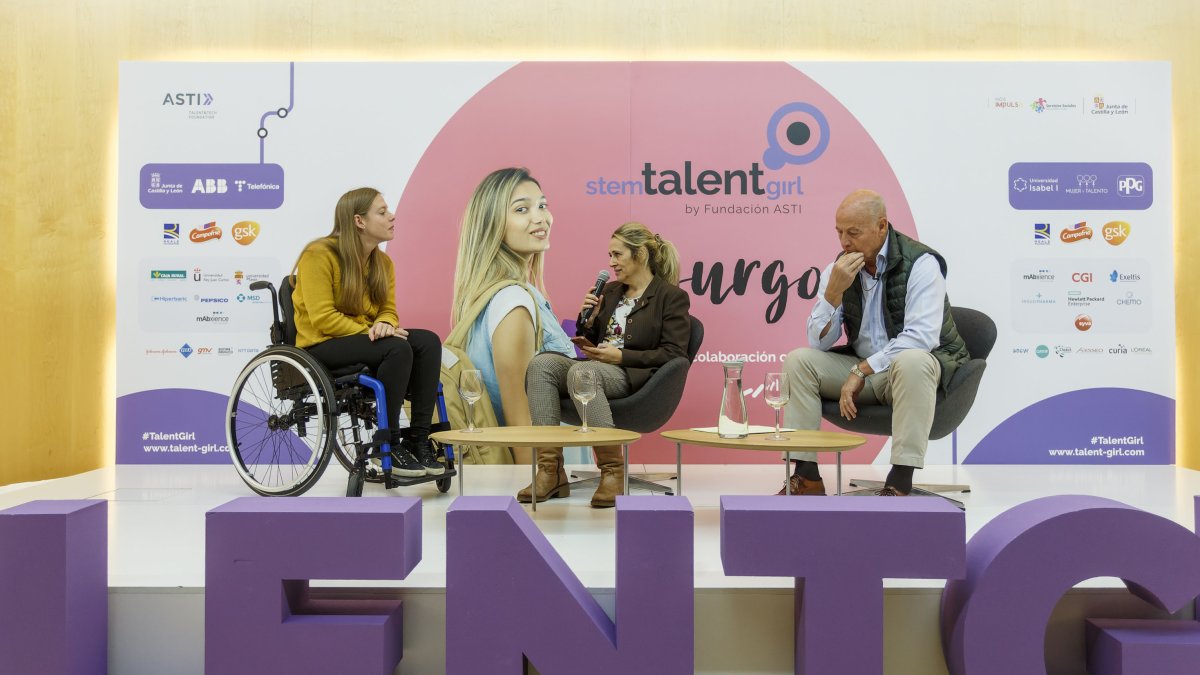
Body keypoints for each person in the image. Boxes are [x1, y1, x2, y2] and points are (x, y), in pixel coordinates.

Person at [779, 189, 969, 496]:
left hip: (911, 372)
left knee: (912, 360)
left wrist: (861, 370)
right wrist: (833, 294)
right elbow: (818, 343)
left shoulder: (921, 263)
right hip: (864, 370)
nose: (844, 242)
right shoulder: (840, 270)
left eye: (853, 233)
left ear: (881, 226)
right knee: (799, 361)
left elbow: (921, 337)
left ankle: (899, 481)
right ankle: (807, 476)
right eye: (839, 232)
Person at [522, 222, 692, 508]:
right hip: (597, 368)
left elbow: (674, 353)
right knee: (541, 365)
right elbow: (594, 340)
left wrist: (622, 357)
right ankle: (550, 471)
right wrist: (588, 322)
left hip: (635, 375)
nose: (611, 263)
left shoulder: (670, 297)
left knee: (582, 372)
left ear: (640, 255)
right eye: (610, 255)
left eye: (617, 254)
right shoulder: (611, 292)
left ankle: (613, 471)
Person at [293, 187, 444, 478]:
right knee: (396, 347)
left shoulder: (382, 263)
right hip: (322, 344)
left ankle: (418, 439)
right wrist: (373, 330)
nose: (392, 216)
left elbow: (388, 310)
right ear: (359, 221)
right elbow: (323, 318)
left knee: (427, 341)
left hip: (363, 339)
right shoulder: (318, 255)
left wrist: (384, 323)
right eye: (382, 212)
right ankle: (388, 442)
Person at [451, 168, 577, 464]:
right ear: (492, 223)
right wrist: (533, 485)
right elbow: (521, 423)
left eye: (542, 205)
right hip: (547, 472)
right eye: (522, 209)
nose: (540, 217)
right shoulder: (513, 302)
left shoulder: (498, 297)